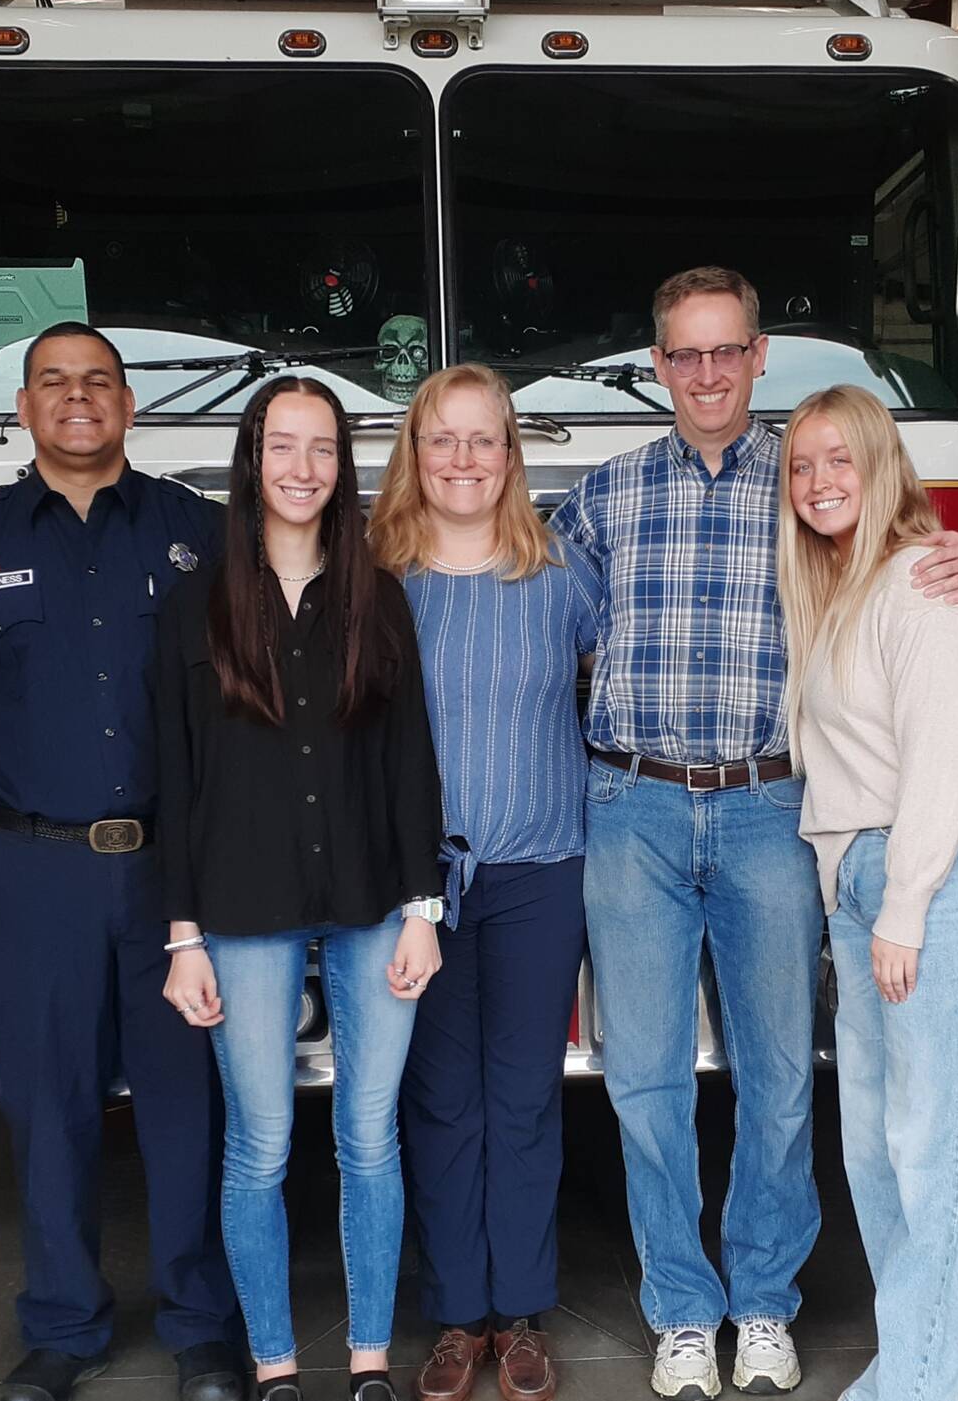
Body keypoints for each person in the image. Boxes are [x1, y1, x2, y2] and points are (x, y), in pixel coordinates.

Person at [549, 267, 958, 1401]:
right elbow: (518, 602)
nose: (704, 374)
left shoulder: (808, 482)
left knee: (779, 1082)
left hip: (771, 812)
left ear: (759, 357)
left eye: (725, 351)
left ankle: (761, 1303)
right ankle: (678, 1310)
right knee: (642, 1081)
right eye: (681, 355)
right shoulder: (603, 497)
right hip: (633, 808)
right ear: (656, 368)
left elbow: (917, 576)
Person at [0, 320, 245, 1401]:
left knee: (188, 1108)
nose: (77, 398)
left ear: (127, 406)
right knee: (48, 1105)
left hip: (176, 877)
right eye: (54, 383)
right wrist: (15, 780)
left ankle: (199, 1328)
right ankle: (62, 1327)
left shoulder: (199, 533)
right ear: (26, 408)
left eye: (97, 382)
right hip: (36, 870)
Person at [157, 376, 445, 1401]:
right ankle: (275, 1366)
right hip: (237, 908)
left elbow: (412, 762)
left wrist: (425, 909)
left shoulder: (378, 595)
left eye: (321, 449)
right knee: (262, 1144)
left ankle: (368, 1361)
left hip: (374, 900)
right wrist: (180, 935)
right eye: (282, 446)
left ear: (342, 466)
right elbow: (173, 774)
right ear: (250, 458)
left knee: (370, 1137)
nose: (301, 468)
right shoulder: (194, 604)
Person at [778, 387, 958, 1401]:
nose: (816, 483)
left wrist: (902, 907)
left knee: (939, 1150)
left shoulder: (923, 584)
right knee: (879, 1152)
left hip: (941, 876)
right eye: (798, 467)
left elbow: (938, 761)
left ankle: (916, 1382)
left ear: (881, 464)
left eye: (838, 460)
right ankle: (929, 1363)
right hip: (873, 879)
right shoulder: (838, 584)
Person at [368, 365, 605, 1401]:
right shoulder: (377, 582)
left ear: (511, 456)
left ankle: (520, 1313)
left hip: (539, 873)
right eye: (442, 439)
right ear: (413, 455)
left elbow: (626, 673)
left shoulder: (560, 572)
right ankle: (456, 1315)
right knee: (436, 1100)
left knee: (521, 1100)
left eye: (484, 439)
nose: (463, 459)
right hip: (414, 887)